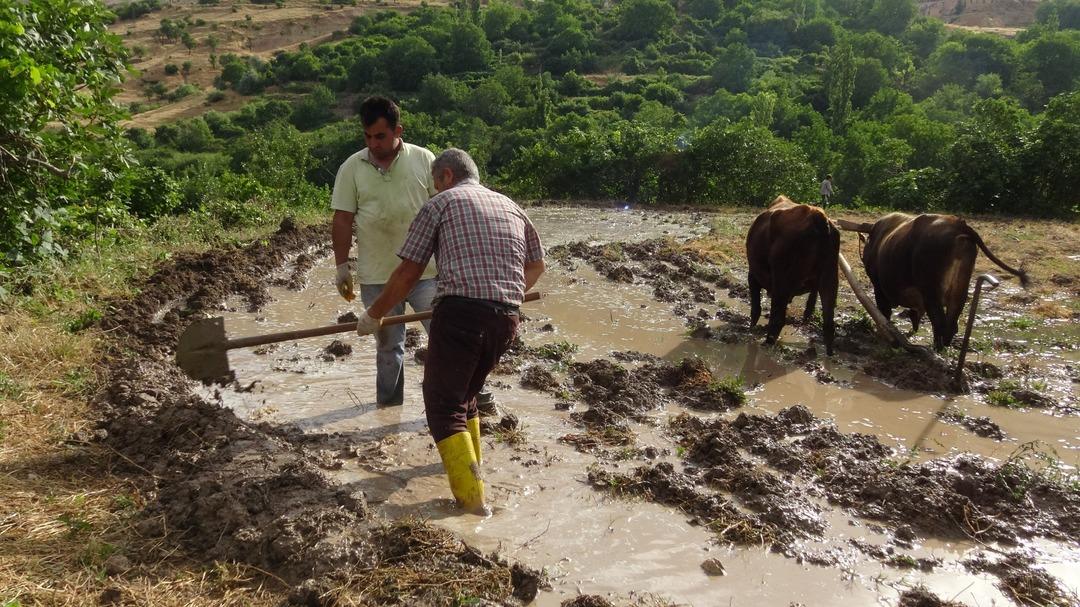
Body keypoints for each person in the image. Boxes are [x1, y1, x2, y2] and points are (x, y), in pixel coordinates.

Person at [354, 148, 545, 514]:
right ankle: (476, 472)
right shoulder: (509, 205)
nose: (433, 189)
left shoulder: (441, 204)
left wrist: (373, 314)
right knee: (466, 395)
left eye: (433, 182)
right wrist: (506, 294)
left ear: (444, 176)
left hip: (460, 314)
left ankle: (474, 507)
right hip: (506, 317)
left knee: (442, 406)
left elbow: (409, 273)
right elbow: (536, 264)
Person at [331, 96, 438, 406]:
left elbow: (443, 209)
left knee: (447, 337)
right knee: (388, 347)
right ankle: (388, 408)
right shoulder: (352, 167)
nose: (373, 143)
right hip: (378, 274)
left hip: (425, 272)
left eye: (380, 136)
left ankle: (476, 398)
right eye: (367, 136)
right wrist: (341, 267)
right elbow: (342, 219)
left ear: (397, 130)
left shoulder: (424, 159)